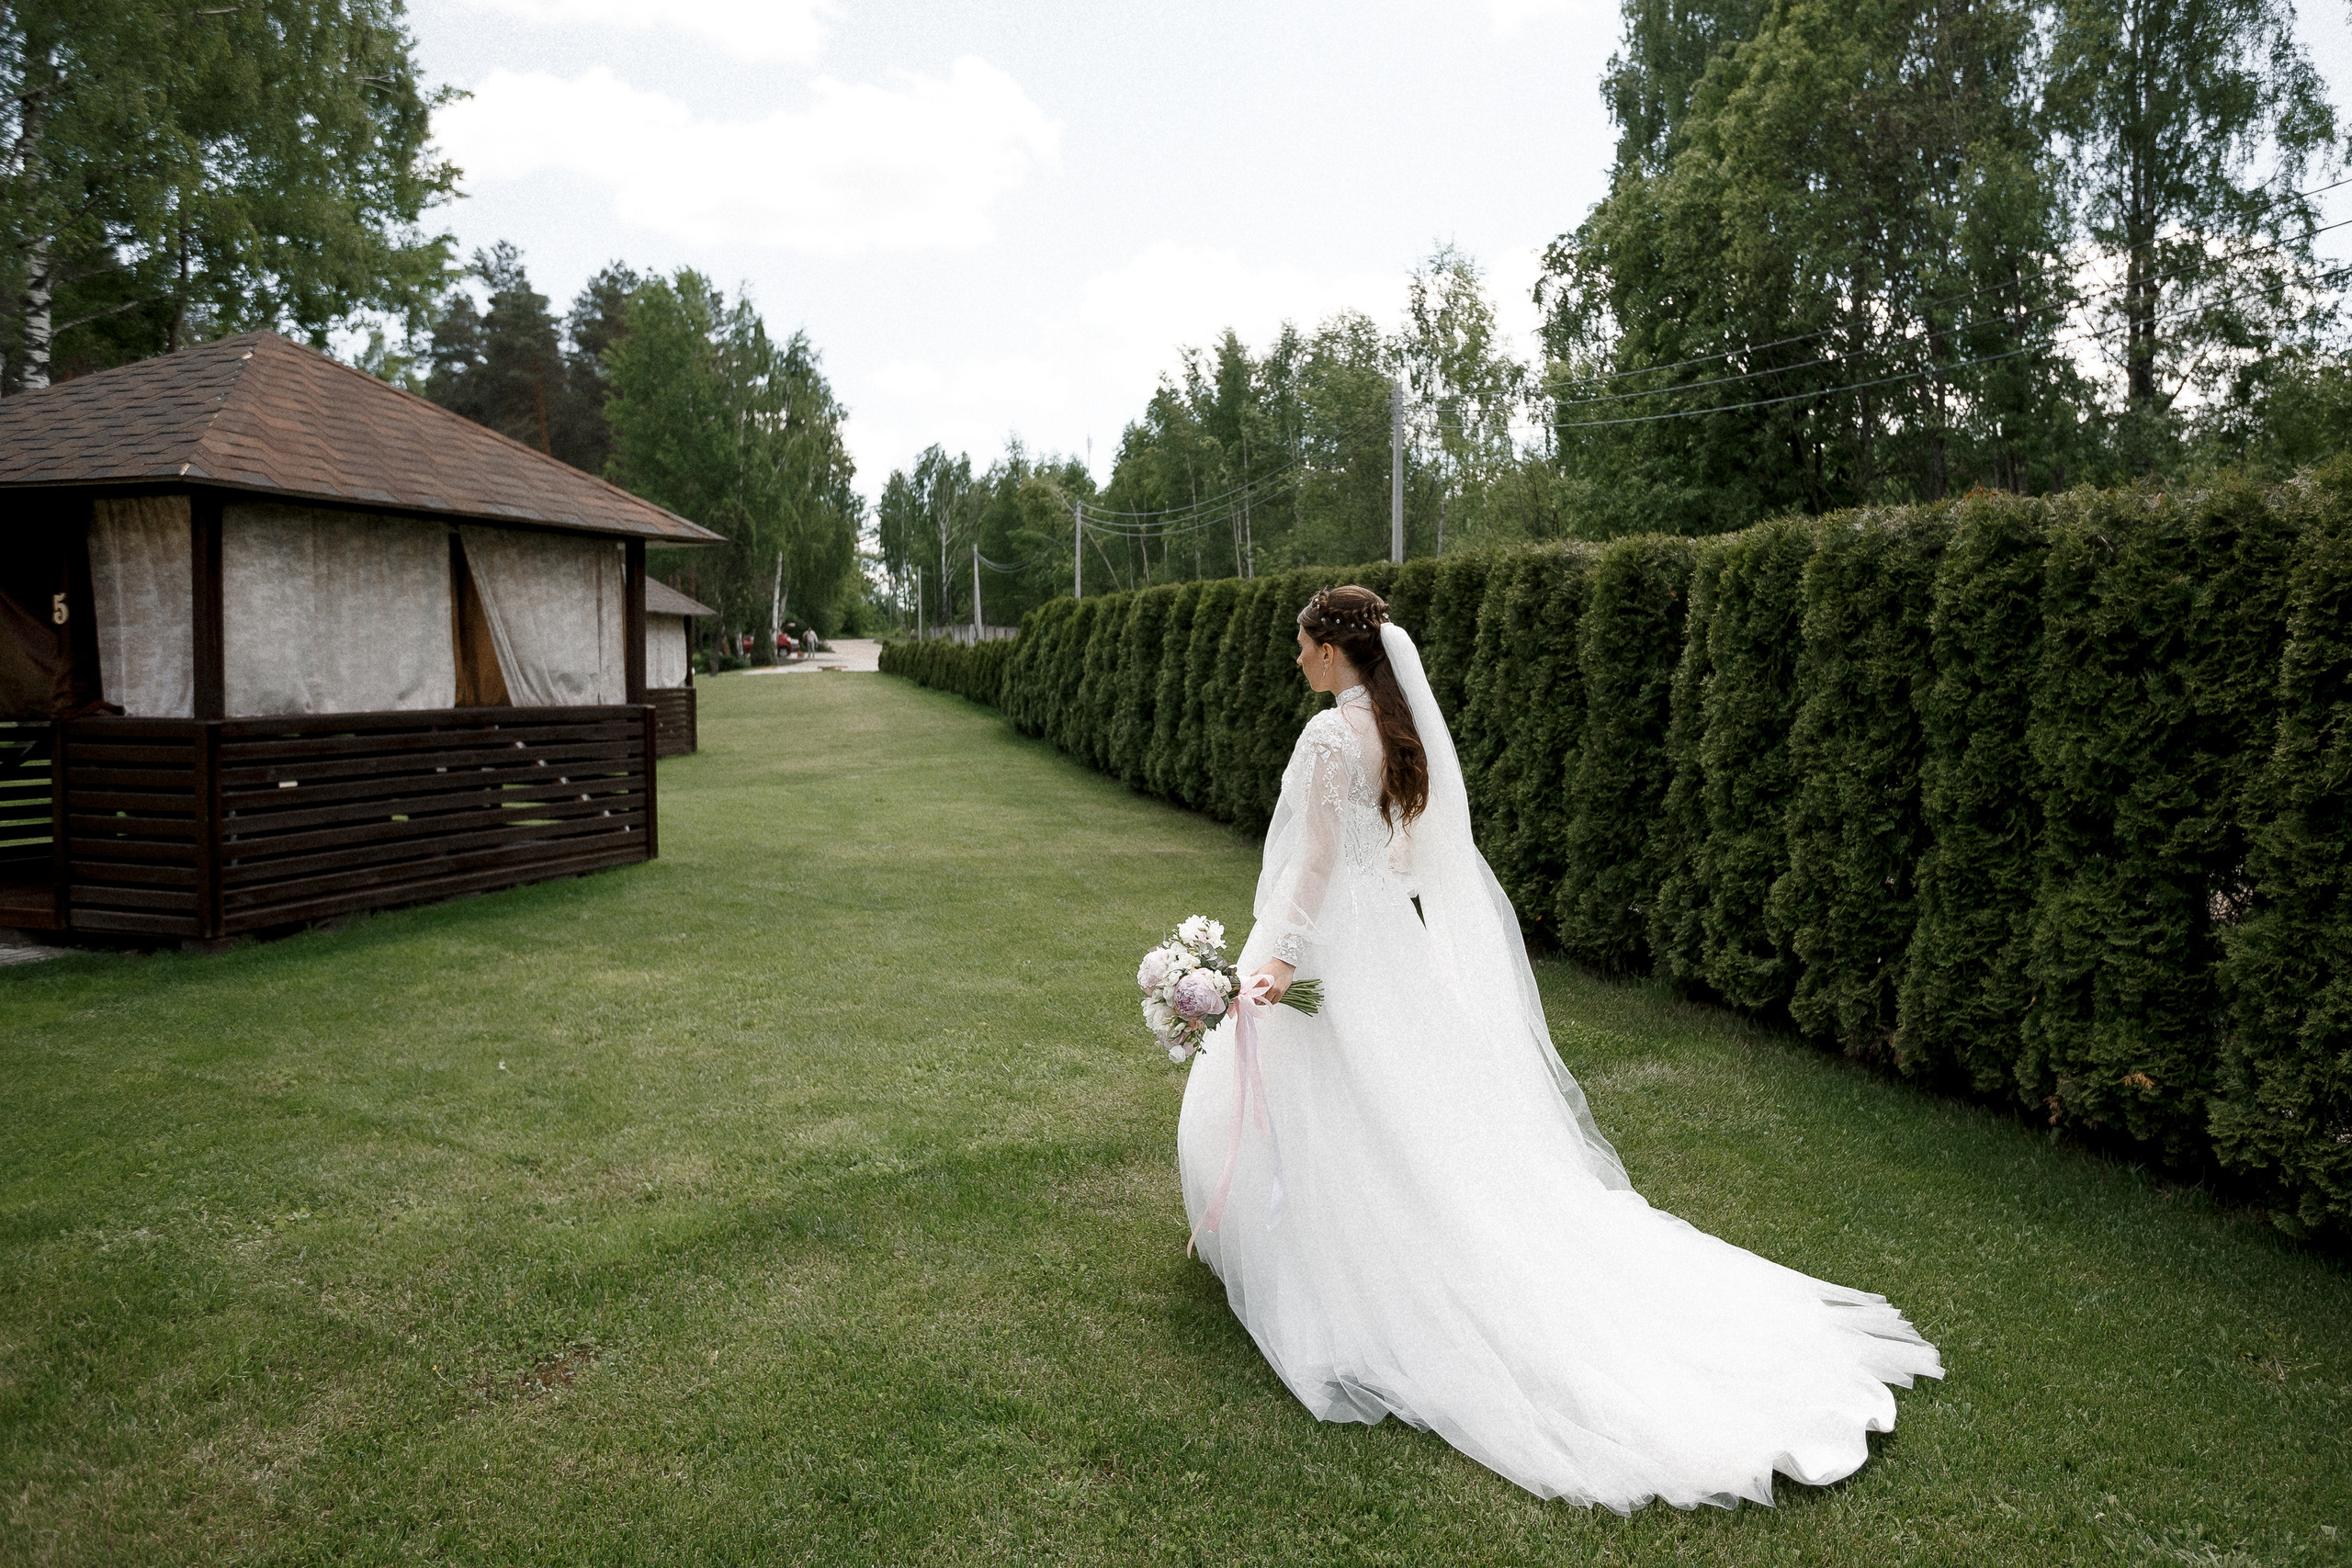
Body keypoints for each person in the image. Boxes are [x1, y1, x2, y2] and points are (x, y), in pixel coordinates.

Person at [1176, 584, 1940, 1514]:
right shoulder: (1396, 730)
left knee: (1340, 1097)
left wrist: (1281, 959)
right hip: (1389, 945)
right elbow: (1406, 854)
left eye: (1303, 644)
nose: (1297, 658)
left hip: (1335, 942)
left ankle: (1340, 1269)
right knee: (1394, 1107)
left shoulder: (1331, 737)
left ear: (1332, 649)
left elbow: (1315, 861)